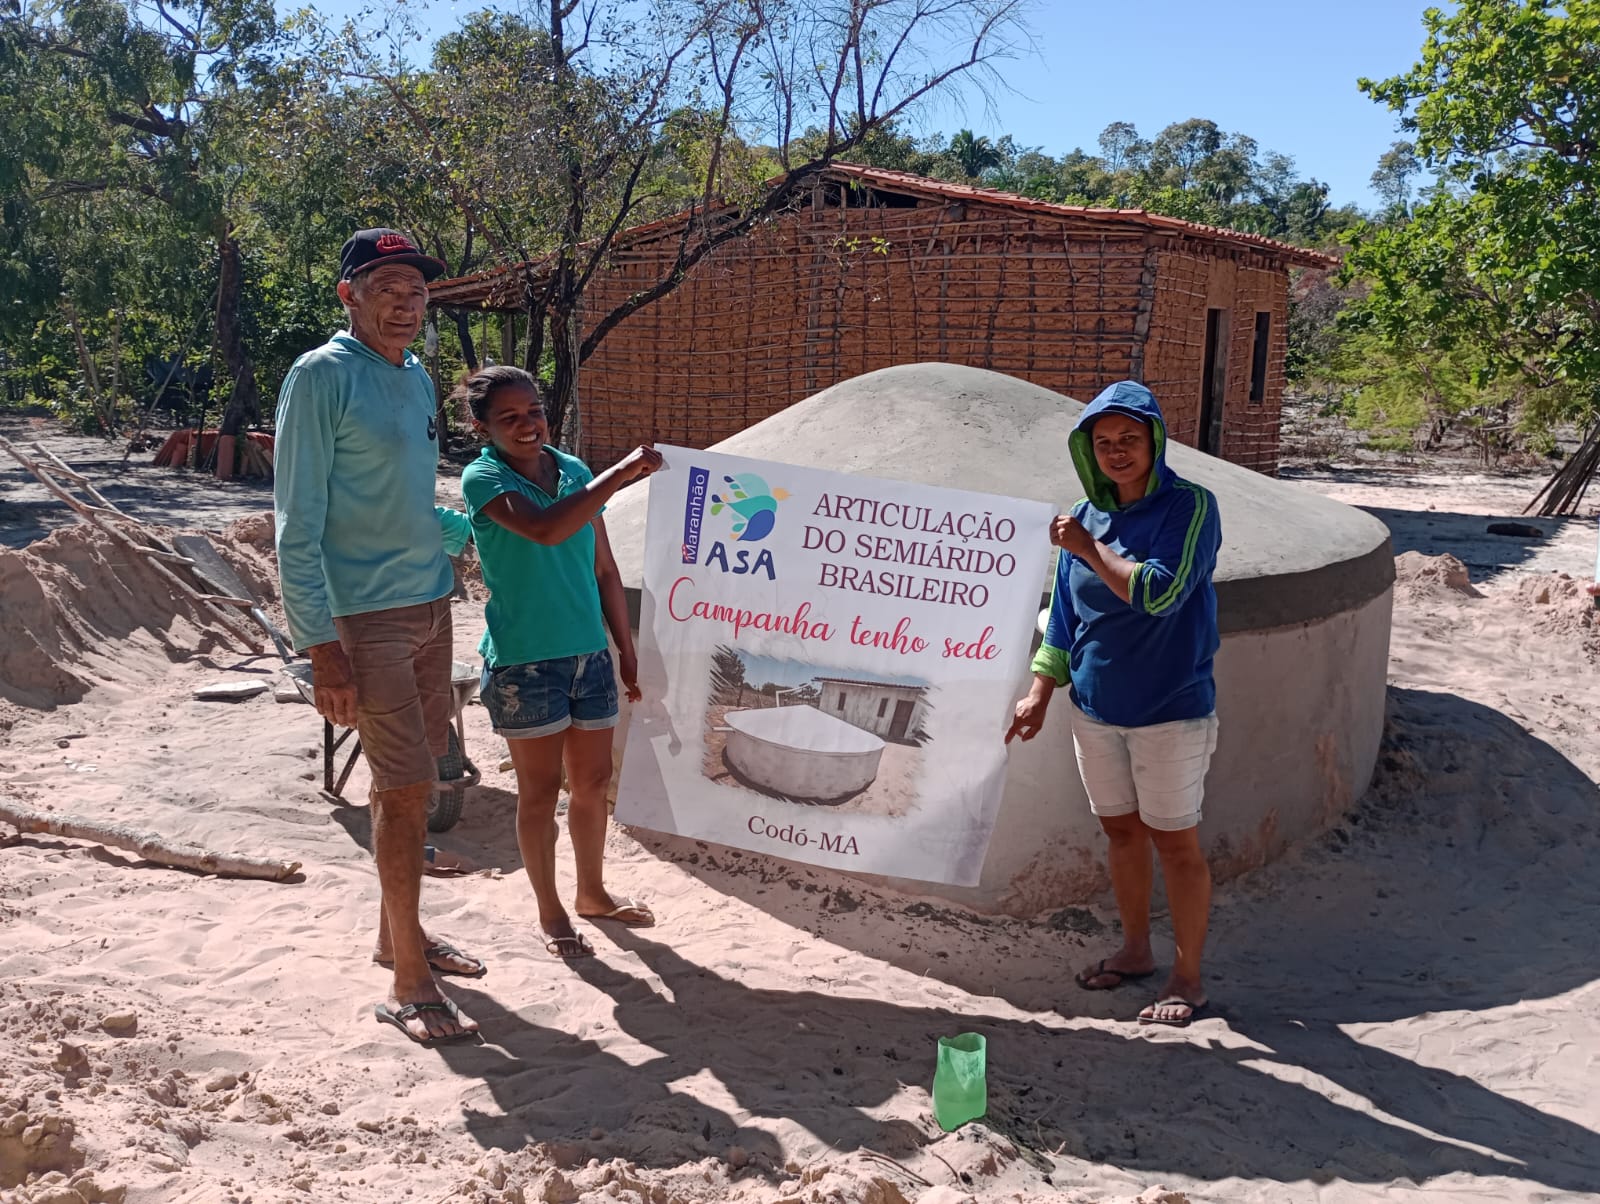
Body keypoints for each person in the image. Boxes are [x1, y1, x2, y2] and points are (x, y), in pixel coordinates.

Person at [275, 228, 482, 1046]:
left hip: (431, 601)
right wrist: (320, 644)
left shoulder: (414, 376)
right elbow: (298, 524)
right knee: (400, 791)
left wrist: (467, 533)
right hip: (365, 617)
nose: (407, 299)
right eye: (388, 283)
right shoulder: (320, 376)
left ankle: (399, 935)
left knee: (422, 776)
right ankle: (408, 979)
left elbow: (406, 494)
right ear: (349, 294)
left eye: (419, 288)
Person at [1006, 380, 1222, 1027]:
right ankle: (1135, 952)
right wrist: (1039, 693)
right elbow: (1065, 621)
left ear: (1154, 440)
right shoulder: (1086, 516)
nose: (1117, 452)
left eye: (1130, 438)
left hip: (1170, 710)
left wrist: (1084, 548)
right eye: (1103, 443)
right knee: (1121, 833)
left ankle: (1188, 979)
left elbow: (1159, 593)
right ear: (1087, 450)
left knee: (1175, 843)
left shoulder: (1190, 508)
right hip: (1095, 712)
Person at [454, 366, 663, 959]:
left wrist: (625, 650)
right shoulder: (483, 478)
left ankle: (592, 893)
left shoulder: (571, 471)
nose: (527, 426)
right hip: (526, 666)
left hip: (588, 657)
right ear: (482, 427)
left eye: (534, 412)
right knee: (541, 792)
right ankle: (551, 911)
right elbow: (546, 531)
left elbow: (603, 568)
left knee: (593, 785)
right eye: (509, 418)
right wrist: (618, 476)